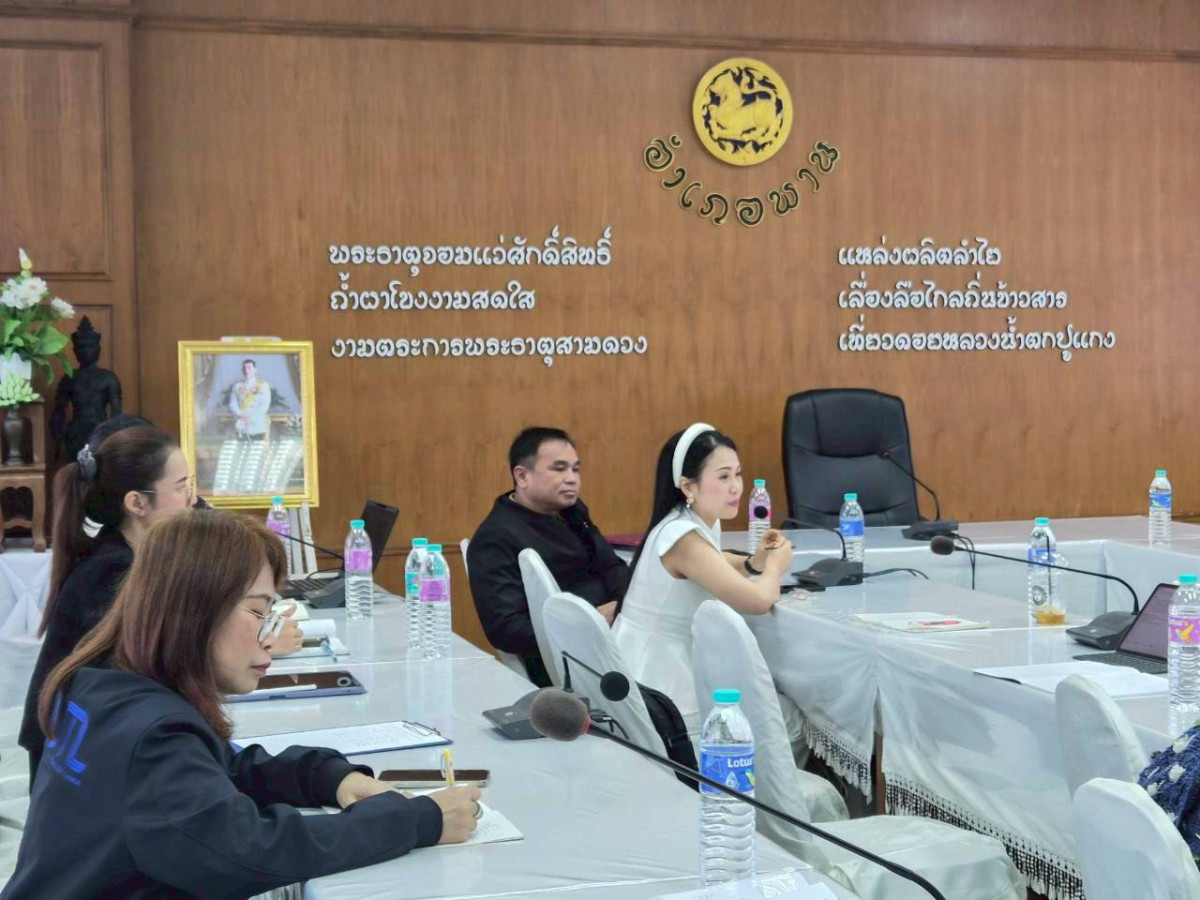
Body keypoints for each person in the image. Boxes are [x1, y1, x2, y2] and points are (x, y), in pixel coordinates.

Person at [0, 510, 481, 898]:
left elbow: (218, 770)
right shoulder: (152, 736)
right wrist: (418, 820)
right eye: (258, 611)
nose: (270, 636)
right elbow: (252, 852)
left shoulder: (103, 686)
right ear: (194, 610)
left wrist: (326, 777)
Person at [18, 425, 301, 781]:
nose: (194, 501)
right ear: (137, 503)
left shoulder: (130, 557)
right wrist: (263, 638)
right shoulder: (112, 572)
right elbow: (158, 658)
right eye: (181, 488)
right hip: (78, 761)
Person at [613, 423, 793, 738]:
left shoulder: (683, 520)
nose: (736, 487)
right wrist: (775, 567)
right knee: (787, 720)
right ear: (688, 486)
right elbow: (758, 602)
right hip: (662, 686)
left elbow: (712, 561)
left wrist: (753, 562)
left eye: (738, 474)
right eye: (723, 477)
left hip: (650, 671)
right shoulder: (683, 537)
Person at [468, 427, 630, 687]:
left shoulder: (573, 512)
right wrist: (591, 621)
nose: (572, 479)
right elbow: (507, 630)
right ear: (522, 476)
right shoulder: (496, 537)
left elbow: (610, 566)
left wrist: (626, 606)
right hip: (567, 662)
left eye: (576, 469)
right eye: (559, 469)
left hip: (618, 637)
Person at [229, 358, 272, 438]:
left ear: (255, 370)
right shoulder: (237, 386)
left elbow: (264, 405)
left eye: (249, 368)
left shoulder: (263, 386)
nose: (246, 370)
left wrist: (251, 418)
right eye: (244, 368)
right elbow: (233, 403)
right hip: (241, 424)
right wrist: (240, 415)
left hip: (257, 425)